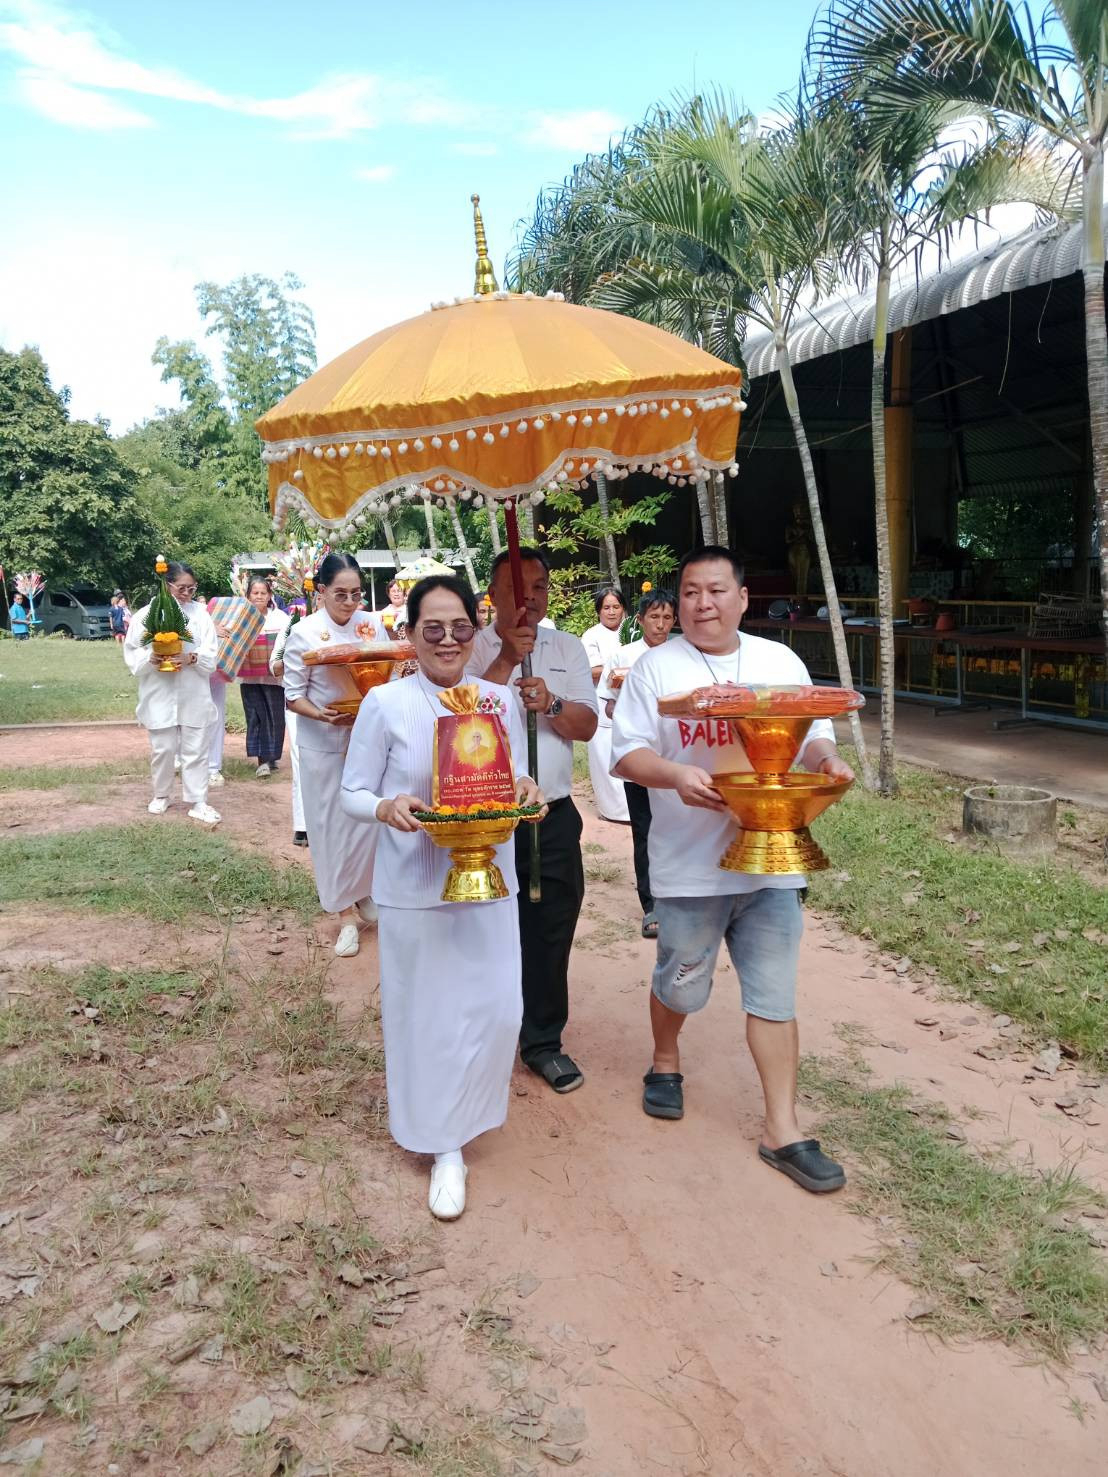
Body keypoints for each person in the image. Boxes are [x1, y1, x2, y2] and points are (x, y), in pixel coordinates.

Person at [610, 546, 853, 1195]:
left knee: (774, 994)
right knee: (683, 982)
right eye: (690, 591)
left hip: (772, 856)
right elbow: (625, 752)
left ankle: (783, 1128)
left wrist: (827, 763)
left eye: (716, 589)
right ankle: (665, 1058)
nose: (702, 602)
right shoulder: (654, 668)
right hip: (691, 865)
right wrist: (677, 774)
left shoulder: (779, 661)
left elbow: (815, 731)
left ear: (742, 598)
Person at [341, 576, 544, 1220]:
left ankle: (470, 1114)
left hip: (491, 879)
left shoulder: (496, 700)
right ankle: (443, 1145)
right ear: (410, 636)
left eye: (461, 626)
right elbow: (352, 789)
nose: (449, 639)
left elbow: (506, 776)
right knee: (424, 1018)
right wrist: (385, 804)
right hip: (414, 885)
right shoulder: (385, 704)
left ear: (475, 628)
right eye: (433, 628)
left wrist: (525, 785)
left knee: (497, 1010)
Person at [467, 547, 597, 1094]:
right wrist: (502, 663)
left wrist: (551, 703)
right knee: (482, 927)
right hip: (484, 816)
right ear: (492, 596)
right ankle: (483, 1035)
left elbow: (587, 725)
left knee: (550, 924)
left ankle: (542, 1040)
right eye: (517, 589)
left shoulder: (567, 646)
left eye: (540, 586)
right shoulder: (465, 648)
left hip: (552, 812)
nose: (531, 598)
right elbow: (459, 718)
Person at [281, 553, 378, 956]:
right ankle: (342, 913)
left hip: (365, 738)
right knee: (329, 828)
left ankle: (366, 892)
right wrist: (320, 715)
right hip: (322, 740)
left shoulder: (370, 624)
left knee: (366, 821)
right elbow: (292, 695)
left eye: (356, 594)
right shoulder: (303, 632)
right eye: (341, 594)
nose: (350, 602)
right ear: (320, 591)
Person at [597, 588, 677, 938]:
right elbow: (607, 703)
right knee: (644, 830)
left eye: (667, 618)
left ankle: (680, 897)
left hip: (676, 758)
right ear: (640, 620)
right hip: (639, 759)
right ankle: (651, 904)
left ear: (675, 620)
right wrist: (627, 706)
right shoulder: (624, 656)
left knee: (678, 828)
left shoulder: (684, 656)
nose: (660, 624)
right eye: (653, 617)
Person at [122, 561, 221, 825]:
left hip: (193, 690)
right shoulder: (145, 614)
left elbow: (211, 654)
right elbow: (132, 652)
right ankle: (161, 794)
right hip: (159, 690)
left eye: (191, 588)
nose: (186, 594)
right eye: (181, 588)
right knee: (163, 748)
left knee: (196, 747)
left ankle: (198, 800)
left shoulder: (201, 614)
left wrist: (191, 658)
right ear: (167, 585)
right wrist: (151, 658)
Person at [580, 586, 630, 824]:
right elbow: (591, 670)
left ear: (624, 609)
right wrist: (619, 671)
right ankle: (613, 810)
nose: (611, 612)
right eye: (606, 607)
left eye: (616, 607)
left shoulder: (633, 631)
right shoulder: (591, 635)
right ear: (598, 611)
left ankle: (634, 807)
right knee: (605, 755)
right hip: (601, 701)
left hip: (632, 700)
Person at [238, 575, 290, 778]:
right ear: (248, 595)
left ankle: (272, 757)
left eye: (263, 593)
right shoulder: (241, 617)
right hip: (249, 679)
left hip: (274, 680)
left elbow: (288, 644)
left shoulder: (281, 619)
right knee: (256, 717)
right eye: (255, 593)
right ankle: (262, 761)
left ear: (270, 595)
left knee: (275, 718)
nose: (259, 596)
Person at [270, 602, 307, 847]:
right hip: (298, 707)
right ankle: (304, 825)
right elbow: (274, 666)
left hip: (339, 706)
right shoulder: (292, 625)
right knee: (301, 761)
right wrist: (282, 665)